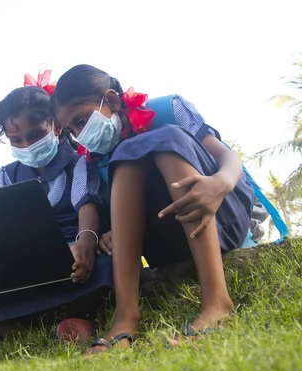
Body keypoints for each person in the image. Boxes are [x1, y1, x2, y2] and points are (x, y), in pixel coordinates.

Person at [51, 65, 255, 353]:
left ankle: (216, 301)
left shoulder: (167, 109)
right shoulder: (92, 162)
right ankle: (125, 319)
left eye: (82, 120)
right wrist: (111, 233)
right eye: (72, 130)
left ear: (110, 100)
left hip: (220, 215)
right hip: (168, 245)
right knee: (127, 155)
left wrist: (219, 184)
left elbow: (226, 156)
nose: (80, 135)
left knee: (162, 139)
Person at [0, 79, 113, 344]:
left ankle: (20, 329)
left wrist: (85, 244)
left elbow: (87, 208)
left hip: (72, 263)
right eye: (16, 139)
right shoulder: (3, 177)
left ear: (56, 126)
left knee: (106, 268)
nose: (27, 145)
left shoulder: (80, 164)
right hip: (19, 271)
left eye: (36, 135)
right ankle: (39, 332)